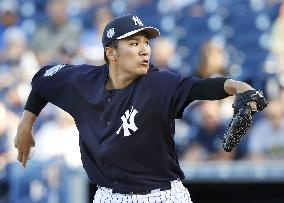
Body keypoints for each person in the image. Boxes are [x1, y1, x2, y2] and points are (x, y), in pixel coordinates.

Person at [15, 14, 262, 203]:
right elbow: (43, 81)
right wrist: (25, 125)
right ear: (110, 53)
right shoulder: (82, 81)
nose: (145, 49)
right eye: (134, 43)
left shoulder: (159, 84)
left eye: (146, 42)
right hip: (109, 196)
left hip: (162, 195)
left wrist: (237, 86)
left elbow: (201, 87)